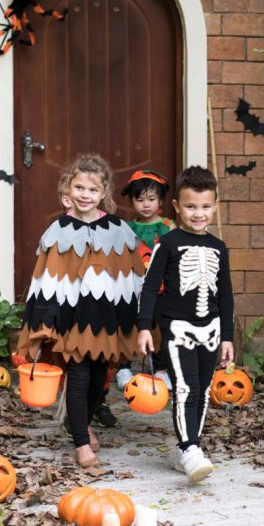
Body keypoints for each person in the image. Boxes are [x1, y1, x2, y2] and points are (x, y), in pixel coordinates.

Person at [17, 154, 144, 468]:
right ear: (67, 189)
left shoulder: (118, 230)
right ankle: (81, 445)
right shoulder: (58, 231)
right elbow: (44, 278)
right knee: (78, 376)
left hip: (104, 320)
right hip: (70, 320)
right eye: (79, 187)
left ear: (103, 194)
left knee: (99, 377)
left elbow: (131, 278)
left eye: (92, 189)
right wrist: (44, 321)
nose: (85, 194)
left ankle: (81, 423)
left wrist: (138, 321)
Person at [137, 166, 233, 483]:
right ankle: (191, 448)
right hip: (177, 329)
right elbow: (150, 287)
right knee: (184, 388)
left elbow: (227, 296)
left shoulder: (219, 247)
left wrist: (228, 338)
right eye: (191, 207)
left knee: (203, 391)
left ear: (215, 205)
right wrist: (144, 328)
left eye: (205, 207)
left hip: (212, 330)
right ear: (177, 206)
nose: (198, 214)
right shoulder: (168, 243)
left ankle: (187, 449)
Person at [105, 169, 175, 426]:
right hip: (131, 287)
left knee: (158, 328)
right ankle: (124, 366)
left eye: (151, 199)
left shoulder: (168, 227)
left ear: (161, 201)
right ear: (132, 201)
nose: (146, 204)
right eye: (140, 199)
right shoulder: (128, 228)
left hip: (161, 289)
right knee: (128, 326)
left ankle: (161, 368)